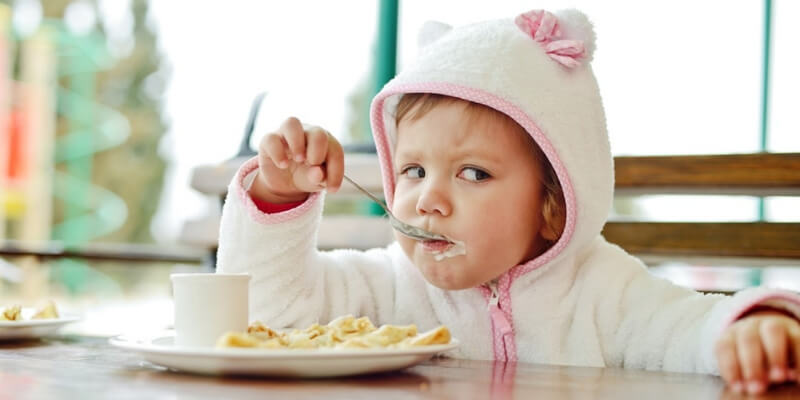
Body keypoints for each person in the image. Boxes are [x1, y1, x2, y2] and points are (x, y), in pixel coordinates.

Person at [217, 9, 800, 395]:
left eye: (473, 172)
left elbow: (690, 329)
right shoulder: (384, 288)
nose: (428, 200)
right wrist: (278, 196)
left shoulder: (606, 295)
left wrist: (751, 326)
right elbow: (272, 317)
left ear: (552, 202)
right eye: (413, 169)